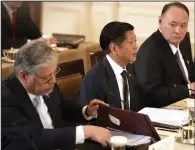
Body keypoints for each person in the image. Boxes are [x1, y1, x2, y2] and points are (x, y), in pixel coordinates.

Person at [1, 40, 112, 150]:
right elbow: (33, 138)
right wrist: (86, 131)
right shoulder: (5, 98)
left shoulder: (45, 83)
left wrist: (86, 111)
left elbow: (60, 106)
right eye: (47, 77)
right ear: (24, 76)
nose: (53, 81)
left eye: (54, 73)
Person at [134, 2, 195, 108]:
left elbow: (189, 74)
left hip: (187, 103)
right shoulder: (149, 51)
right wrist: (189, 89)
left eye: (183, 25)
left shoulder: (183, 40)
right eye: (172, 24)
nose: (178, 31)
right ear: (160, 21)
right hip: (164, 110)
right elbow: (152, 94)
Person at [79, 21, 144, 112]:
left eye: (135, 41)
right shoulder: (94, 79)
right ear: (114, 48)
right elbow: (92, 119)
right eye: (131, 42)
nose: (136, 46)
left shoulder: (131, 69)